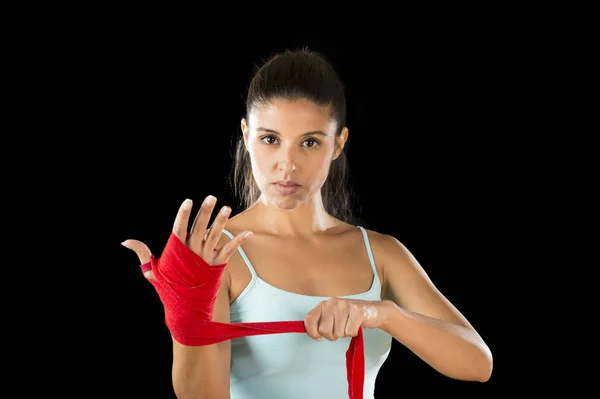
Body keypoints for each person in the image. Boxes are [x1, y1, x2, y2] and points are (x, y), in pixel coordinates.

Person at [122, 48, 493, 399]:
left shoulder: (380, 252)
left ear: (338, 143)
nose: (288, 164)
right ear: (246, 135)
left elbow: (478, 363)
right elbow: (200, 396)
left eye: (310, 143)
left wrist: (380, 313)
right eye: (270, 139)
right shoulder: (220, 254)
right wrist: (188, 308)